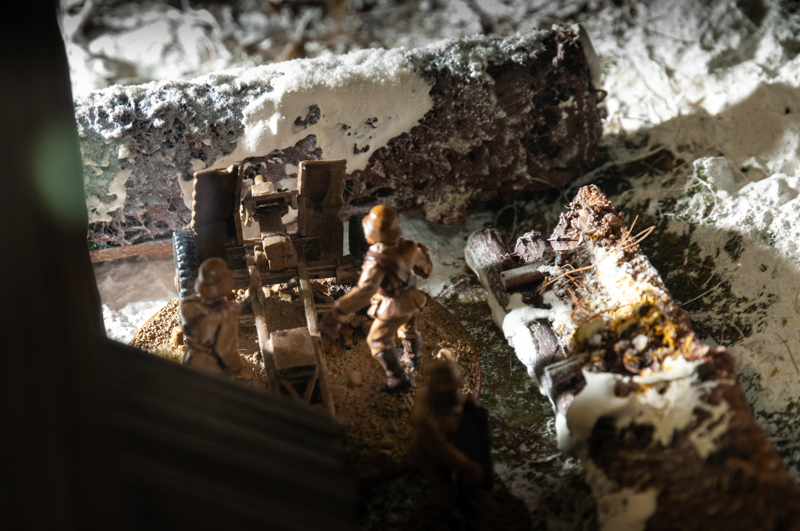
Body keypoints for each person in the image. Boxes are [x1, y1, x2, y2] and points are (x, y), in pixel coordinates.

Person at [320, 205, 433, 391]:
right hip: (413, 299)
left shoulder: (376, 259)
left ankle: (398, 380)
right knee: (408, 330)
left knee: (377, 340)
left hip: (393, 304)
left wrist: (340, 309)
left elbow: (365, 291)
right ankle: (413, 362)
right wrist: (424, 253)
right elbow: (426, 271)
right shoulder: (410, 247)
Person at [409, 361, 484, 509]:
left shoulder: (447, 395)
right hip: (427, 454)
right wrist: (465, 465)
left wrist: (468, 401)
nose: (455, 393)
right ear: (438, 392)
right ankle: (443, 514)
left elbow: (459, 398)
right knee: (443, 490)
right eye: (450, 391)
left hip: (448, 439)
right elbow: (440, 448)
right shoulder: (425, 416)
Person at [180, 257, 243, 376]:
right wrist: (236, 366)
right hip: (211, 368)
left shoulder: (187, 304)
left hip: (190, 359)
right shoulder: (225, 315)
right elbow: (224, 350)